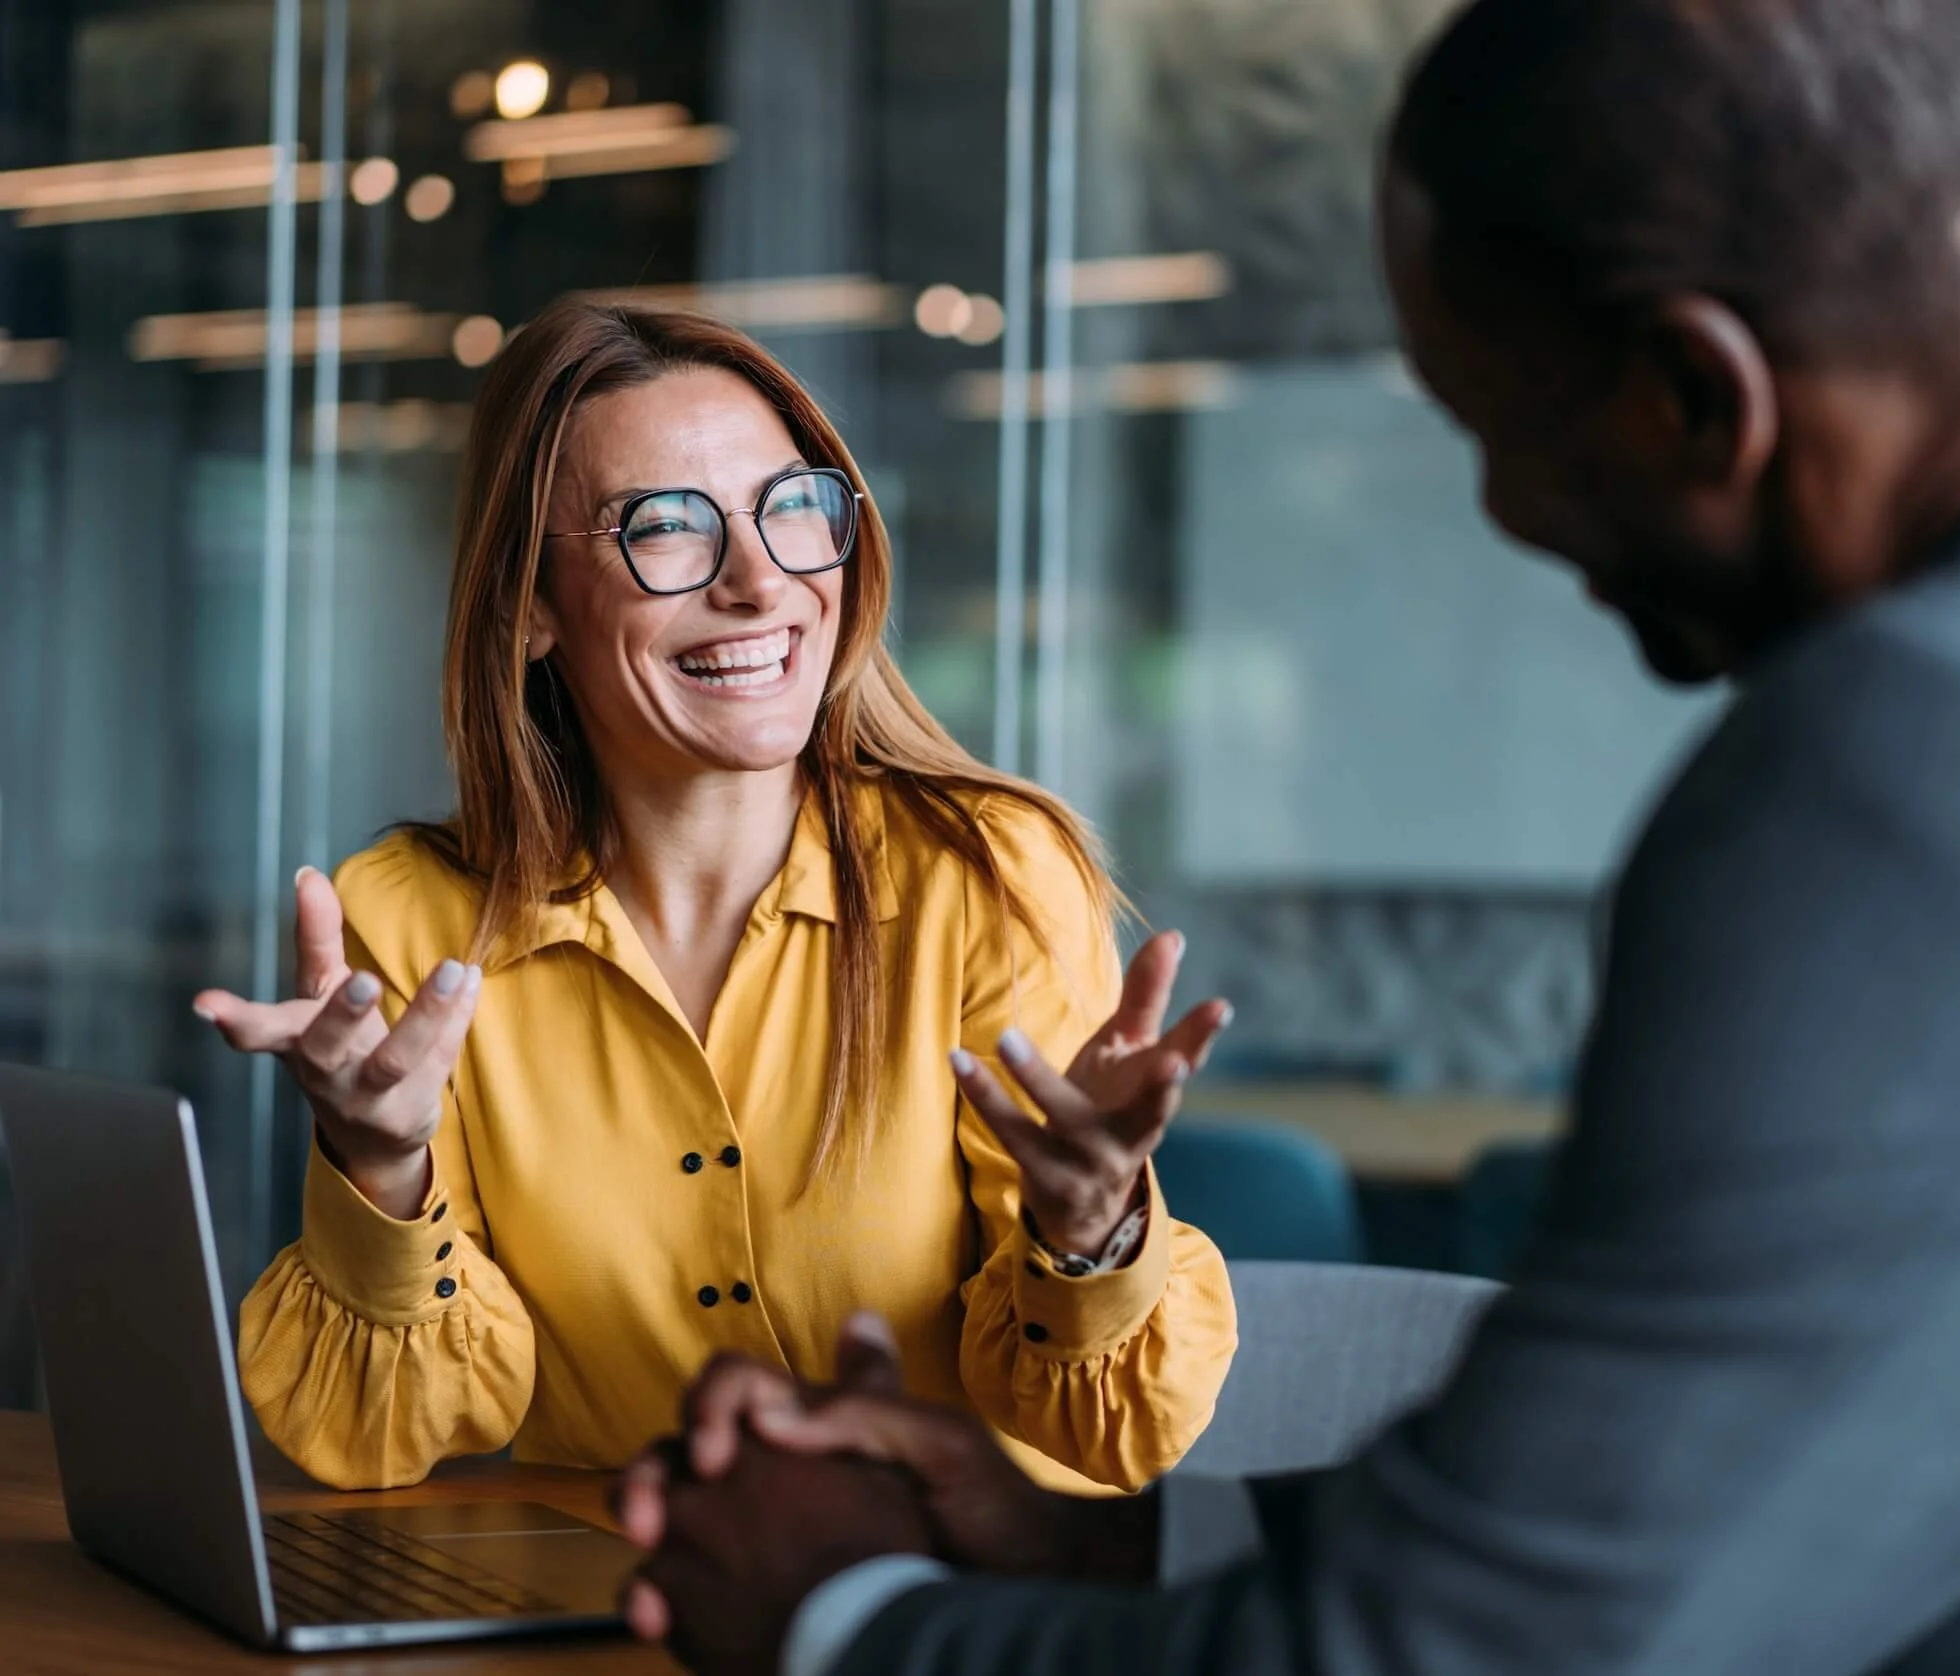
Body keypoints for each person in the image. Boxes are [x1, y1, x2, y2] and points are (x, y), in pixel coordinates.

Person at [610, 1, 1960, 1672]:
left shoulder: (1899, 766)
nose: (1502, 513)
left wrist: (844, 1615)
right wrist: (1094, 1532)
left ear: (1699, 394)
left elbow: (1476, 1650)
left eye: (1507, 429)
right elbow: (1800, 1496)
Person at [192, 301, 1237, 1495]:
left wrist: (1090, 1234)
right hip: (604, 1611)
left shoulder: (989, 874)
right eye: (664, 528)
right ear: (528, 603)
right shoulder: (414, 921)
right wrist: (378, 1167)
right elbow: (383, 1440)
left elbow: (1111, 1436)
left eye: (792, 506)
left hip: (936, 1617)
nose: (760, 579)